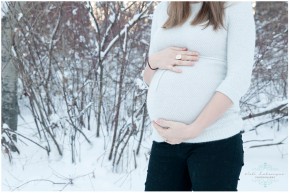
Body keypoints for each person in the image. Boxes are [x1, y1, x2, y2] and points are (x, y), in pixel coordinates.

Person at [142, 1, 256, 191]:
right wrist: (153, 62)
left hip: (215, 143)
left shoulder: (235, 7)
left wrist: (193, 129)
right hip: (165, 141)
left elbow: (239, 79)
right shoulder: (165, 8)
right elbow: (149, 79)